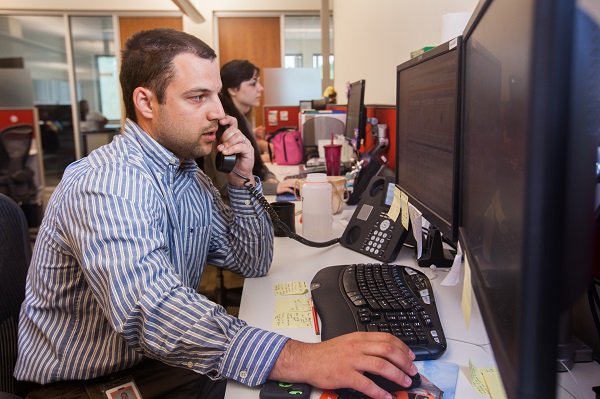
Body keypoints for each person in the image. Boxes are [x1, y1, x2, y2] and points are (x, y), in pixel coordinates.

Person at [15, 28, 417, 399]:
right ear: (146, 102)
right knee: (293, 378)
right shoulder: (108, 183)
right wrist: (301, 357)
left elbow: (252, 261)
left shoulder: (186, 174)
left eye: (217, 95)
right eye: (197, 97)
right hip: (84, 386)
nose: (219, 113)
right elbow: (153, 312)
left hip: (154, 362)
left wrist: (243, 180)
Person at [203, 59, 296, 200]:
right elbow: (226, 187)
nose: (260, 88)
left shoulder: (241, 119)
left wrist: (269, 177)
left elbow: (258, 164)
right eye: (253, 84)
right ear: (233, 90)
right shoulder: (223, 125)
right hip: (228, 211)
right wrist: (274, 187)